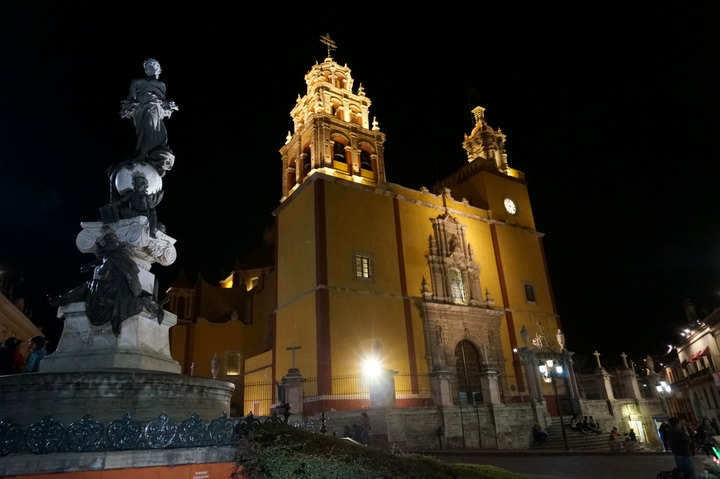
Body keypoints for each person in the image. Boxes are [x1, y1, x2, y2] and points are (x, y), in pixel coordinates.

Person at [120, 58, 178, 163]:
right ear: (145, 70)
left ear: (158, 69)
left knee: (149, 129)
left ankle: (141, 155)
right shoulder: (137, 82)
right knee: (142, 131)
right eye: (147, 67)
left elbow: (163, 101)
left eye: (153, 66)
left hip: (154, 108)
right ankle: (140, 152)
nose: (149, 69)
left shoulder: (161, 84)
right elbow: (130, 97)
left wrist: (168, 107)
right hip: (140, 110)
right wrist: (128, 108)